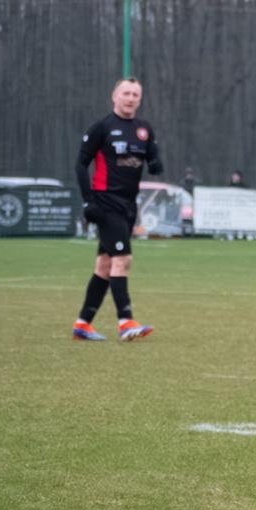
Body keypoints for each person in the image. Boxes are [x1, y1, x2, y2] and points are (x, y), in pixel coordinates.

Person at [72, 78, 161, 341]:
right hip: (105, 203)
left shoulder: (144, 129)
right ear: (114, 96)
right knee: (123, 259)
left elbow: (152, 155)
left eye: (135, 94)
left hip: (128, 205)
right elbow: (81, 164)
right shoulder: (102, 128)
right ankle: (126, 321)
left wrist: (155, 162)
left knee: (104, 265)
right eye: (126, 93)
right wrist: (88, 201)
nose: (131, 98)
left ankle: (83, 324)